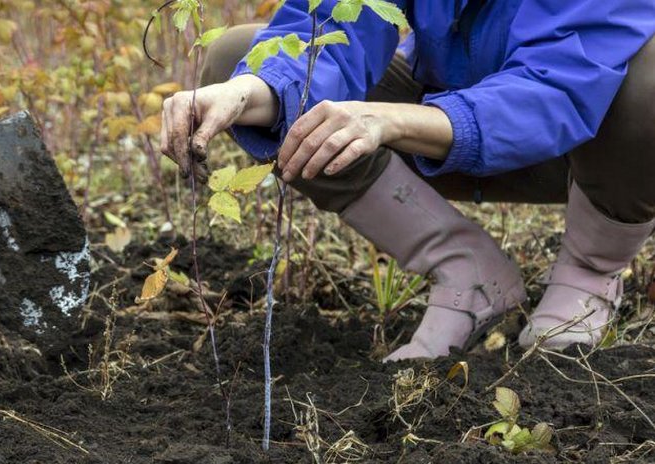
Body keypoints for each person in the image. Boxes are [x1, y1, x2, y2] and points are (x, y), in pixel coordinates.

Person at [160, 1, 655, 361]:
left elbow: (554, 91)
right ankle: (465, 268)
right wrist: (249, 92)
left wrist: (392, 121)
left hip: (582, 147)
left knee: (648, 79)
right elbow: (337, 21)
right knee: (237, 58)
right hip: (443, 129)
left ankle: (589, 273)